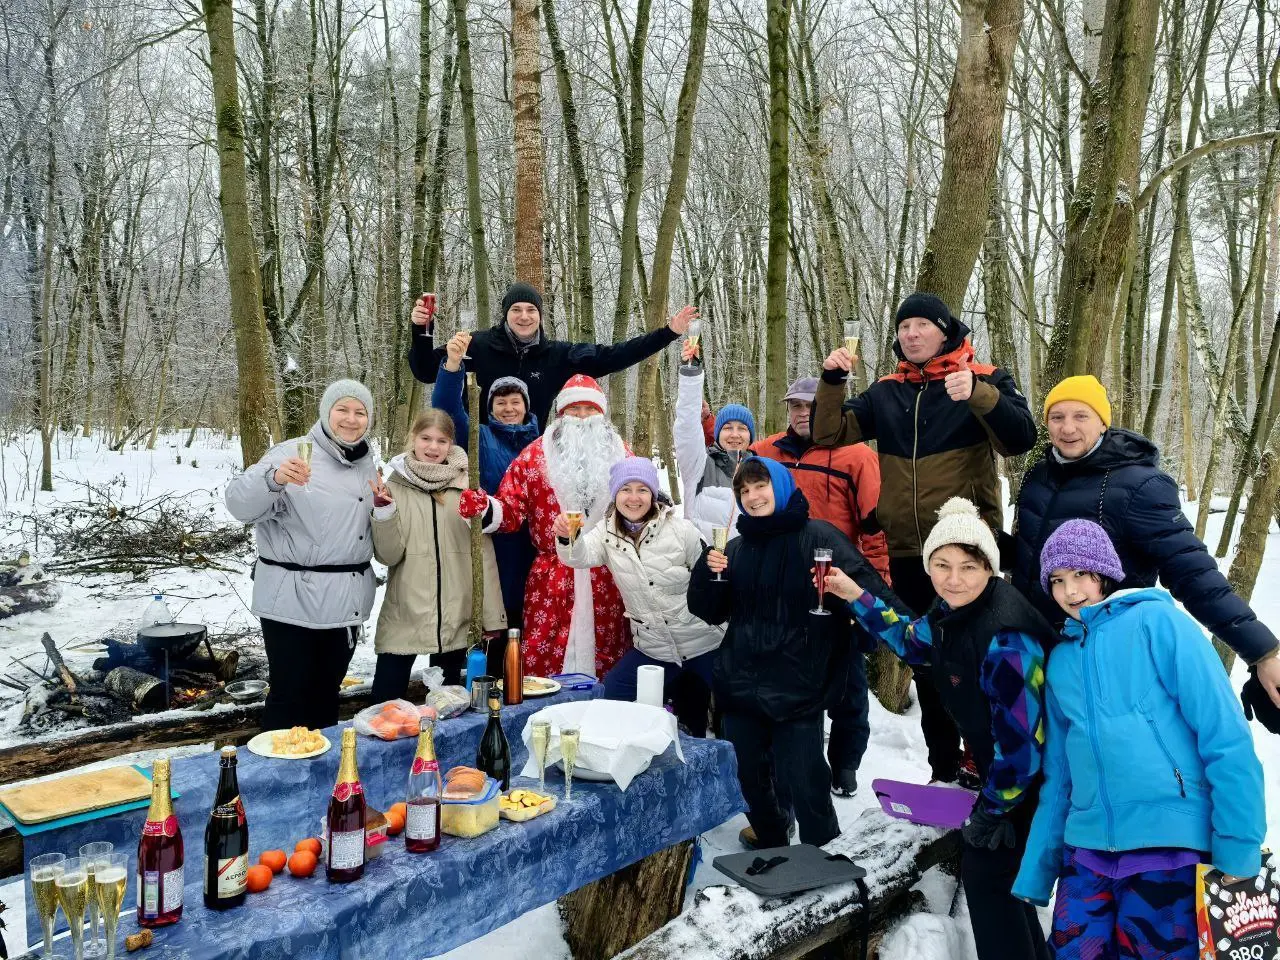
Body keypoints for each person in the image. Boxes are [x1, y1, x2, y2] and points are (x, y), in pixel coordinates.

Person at [1013, 519, 1265, 959]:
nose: (1071, 592)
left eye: (1081, 575)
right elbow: (1060, 778)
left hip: (1170, 849)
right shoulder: (1062, 663)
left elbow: (1225, 737)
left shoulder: (1160, 623)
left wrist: (1239, 847)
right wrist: (1039, 867)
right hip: (1087, 852)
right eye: (1057, 580)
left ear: (1104, 573)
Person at [814, 291, 1038, 785]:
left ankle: (991, 764)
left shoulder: (983, 377)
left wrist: (979, 395)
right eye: (903, 327)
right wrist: (832, 381)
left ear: (945, 329)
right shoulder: (887, 391)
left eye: (921, 325)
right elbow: (827, 435)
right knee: (929, 663)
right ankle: (943, 768)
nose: (911, 335)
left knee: (980, 661)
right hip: (910, 555)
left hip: (967, 554)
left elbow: (1022, 437)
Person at [824, 498, 1053, 960]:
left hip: (1030, 786)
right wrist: (856, 596)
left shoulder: (1006, 637)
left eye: (968, 566)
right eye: (941, 565)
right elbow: (911, 641)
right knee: (1005, 886)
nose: (953, 578)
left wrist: (995, 809)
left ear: (989, 568)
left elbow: (1025, 745)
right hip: (1004, 778)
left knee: (990, 883)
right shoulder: (952, 614)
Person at [1012, 374, 1280, 710]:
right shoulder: (1039, 476)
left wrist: (1261, 650)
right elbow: (1029, 551)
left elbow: (1192, 572)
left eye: (1081, 416)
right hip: (1034, 645)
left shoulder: (1139, 485)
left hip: (1103, 650)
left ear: (1102, 423)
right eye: (1057, 417)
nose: (1068, 428)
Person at [687, 457, 901, 849]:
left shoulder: (820, 538)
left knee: (807, 784)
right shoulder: (735, 547)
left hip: (799, 688)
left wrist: (903, 628)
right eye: (744, 491)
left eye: (760, 486)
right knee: (745, 776)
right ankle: (772, 837)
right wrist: (707, 572)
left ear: (781, 486)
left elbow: (869, 590)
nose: (752, 497)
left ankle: (825, 857)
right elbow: (709, 610)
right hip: (742, 685)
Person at [752, 374, 890, 798]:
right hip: (781, 584)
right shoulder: (765, 452)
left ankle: (845, 764)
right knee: (788, 680)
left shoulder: (857, 457)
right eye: (794, 406)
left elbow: (875, 528)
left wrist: (876, 587)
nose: (802, 413)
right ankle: (789, 765)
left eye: (811, 406)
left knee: (847, 683)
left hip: (838, 582)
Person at [225, 379, 379, 731]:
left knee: (326, 697)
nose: (351, 419)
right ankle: (275, 780)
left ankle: (320, 777)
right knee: (289, 697)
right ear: (326, 413)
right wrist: (273, 479)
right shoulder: (290, 453)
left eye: (360, 412)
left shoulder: (367, 464)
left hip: (345, 601)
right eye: (342, 410)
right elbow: (238, 504)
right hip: (291, 599)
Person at [460, 374, 631, 678]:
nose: (581, 418)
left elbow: (640, 501)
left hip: (607, 578)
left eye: (589, 410)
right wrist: (485, 507)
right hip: (551, 582)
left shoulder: (621, 455)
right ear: (561, 414)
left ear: (601, 415)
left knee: (610, 655)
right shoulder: (535, 455)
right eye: (573, 410)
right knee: (545, 660)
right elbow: (511, 509)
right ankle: (543, 719)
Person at [556, 457, 723, 734]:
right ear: (615, 494)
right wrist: (566, 537)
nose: (634, 498)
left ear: (653, 494)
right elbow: (580, 556)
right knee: (610, 694)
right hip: (654, 649)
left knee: (727, 711)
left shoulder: (682, 531)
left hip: (703, 643)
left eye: (642, 489)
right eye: (626, 489)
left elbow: (710, 582)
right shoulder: (606, 534)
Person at [409, 282, 695, 429]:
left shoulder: (559, 355)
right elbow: (424, 371)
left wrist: (667, 332)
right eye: (516, 310)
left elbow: (615, 356)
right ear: (505, 314)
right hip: (478, 456)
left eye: (531, 310)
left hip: (530, 456)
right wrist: (422, 330)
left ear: (540, 316)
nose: (524, 317)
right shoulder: (476, 345)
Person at [368, 410, 506, 701]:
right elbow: (388, 556)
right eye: (425, 438)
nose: (433, 447)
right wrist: (384, 511)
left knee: (449, 706)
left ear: (451, 444)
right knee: (384, 705)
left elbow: (483, 555)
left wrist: (492, 618)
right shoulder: (393, 486)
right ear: (413, 439)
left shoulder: (467, 488)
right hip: (404, 611)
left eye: (441, 441)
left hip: (456, 616)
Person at [431, 331, 540, 652]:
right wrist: (453, 366)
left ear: (526, 406)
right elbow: (447, 407)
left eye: (515, 402)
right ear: (490, 408)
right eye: (500, 402)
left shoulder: (543, 444)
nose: (508, 408)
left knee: (526, 634)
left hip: (535, 552)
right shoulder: (479, 436)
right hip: (494, 549)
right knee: (496, 626)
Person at [673, 342, 756, 540]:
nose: (735, 434)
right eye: (727, 428)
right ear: (717, 434)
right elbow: (686, 428)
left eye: (742, 429)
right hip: (704, 565)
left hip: (747, 568)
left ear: (751, 436)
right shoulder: (699, 465)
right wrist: (691, 376)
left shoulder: (761, 471)